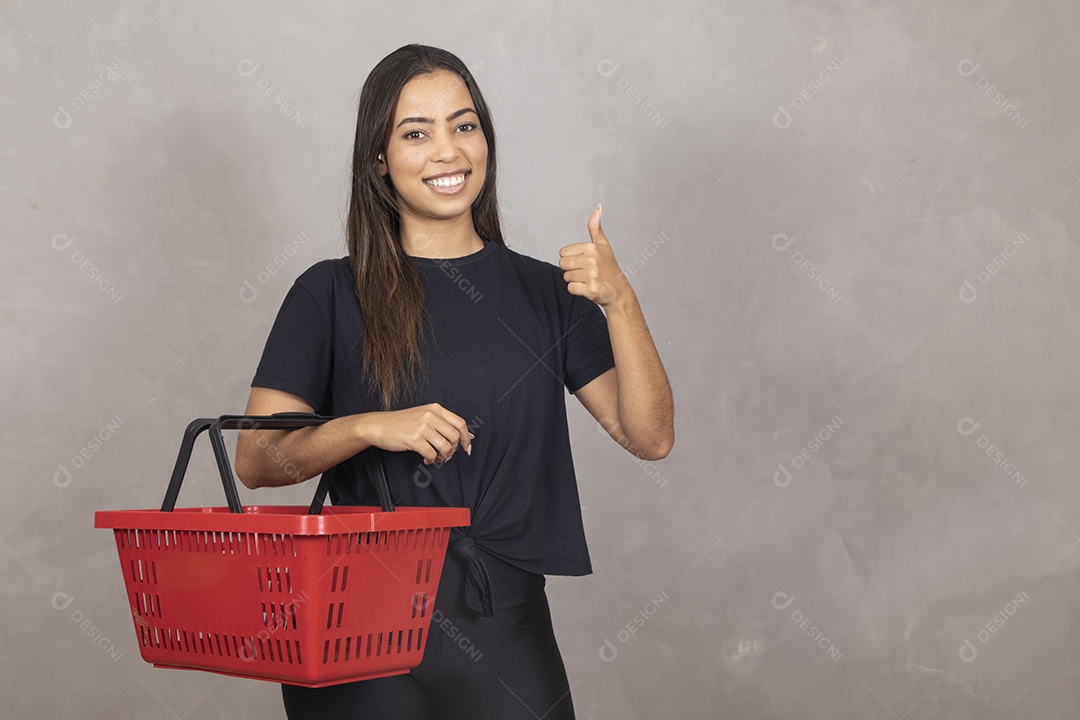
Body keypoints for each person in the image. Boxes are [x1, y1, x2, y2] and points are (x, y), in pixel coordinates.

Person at [235, 43, 674, 720]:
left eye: (464, 125)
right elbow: (257, 463)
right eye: (417, 133)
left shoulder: (546, 293)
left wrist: (621, 303)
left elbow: (649, 437)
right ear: (379, 160)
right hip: (357, 632)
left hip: (507, 625)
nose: (448, 151)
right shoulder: (327, 293)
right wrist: (368, 426)